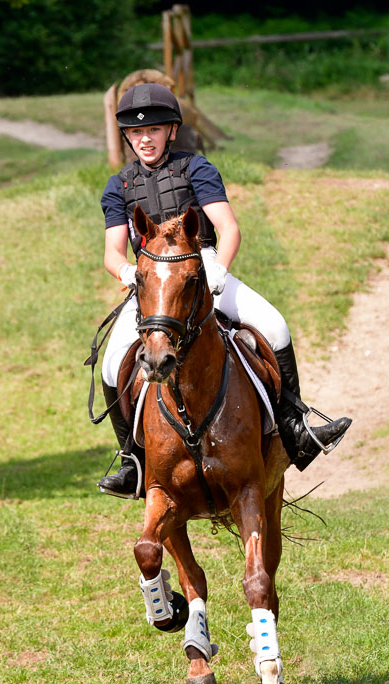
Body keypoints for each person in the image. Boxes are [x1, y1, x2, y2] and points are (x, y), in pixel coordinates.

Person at [98, 83, 351, 497]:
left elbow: (229, 227)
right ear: (127, 136)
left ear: (171, 132)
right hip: (153, 288)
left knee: (274, 324)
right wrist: (127, 272)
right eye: (136, 133)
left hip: (204, 272)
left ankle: (294, 429)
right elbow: (112, 251)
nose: (145, 138)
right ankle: (131, 460)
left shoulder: (197, 169)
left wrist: (217, 267)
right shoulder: (119, 187)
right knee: (111, 364)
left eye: (155, 130)